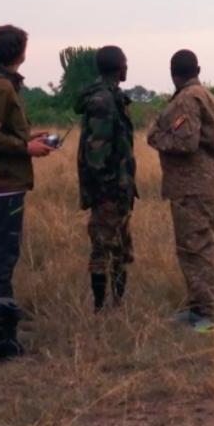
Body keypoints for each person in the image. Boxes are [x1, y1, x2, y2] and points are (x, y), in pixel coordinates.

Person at [0, 24, 55, 299]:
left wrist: (28, 136)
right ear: (20, 53)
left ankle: (0, 309)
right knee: (4, 250)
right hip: (2, 182)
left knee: (4, 248)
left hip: (2, 180)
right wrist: (25, 147)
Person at [146, 49, 214, 333]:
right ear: (198, 69)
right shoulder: (208, 96)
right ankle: (198, 308)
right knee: (196, 246)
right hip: (204, 182)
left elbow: (185, 142)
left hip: (192, 184)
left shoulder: (186, 100)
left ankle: (212, 314)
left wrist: (155, 136)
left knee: (197, 248)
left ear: (172, 73)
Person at [75, 45, 138, 311]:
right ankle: (100, 308)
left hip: (119, 189)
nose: (127, 67)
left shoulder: (113, 96)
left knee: (121, 249)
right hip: (108, 191)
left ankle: (117, 304)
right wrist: (107, 190)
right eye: (125, 63)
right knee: (103, 249)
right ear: (118, 67)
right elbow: (97, 152)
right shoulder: (103, 100)